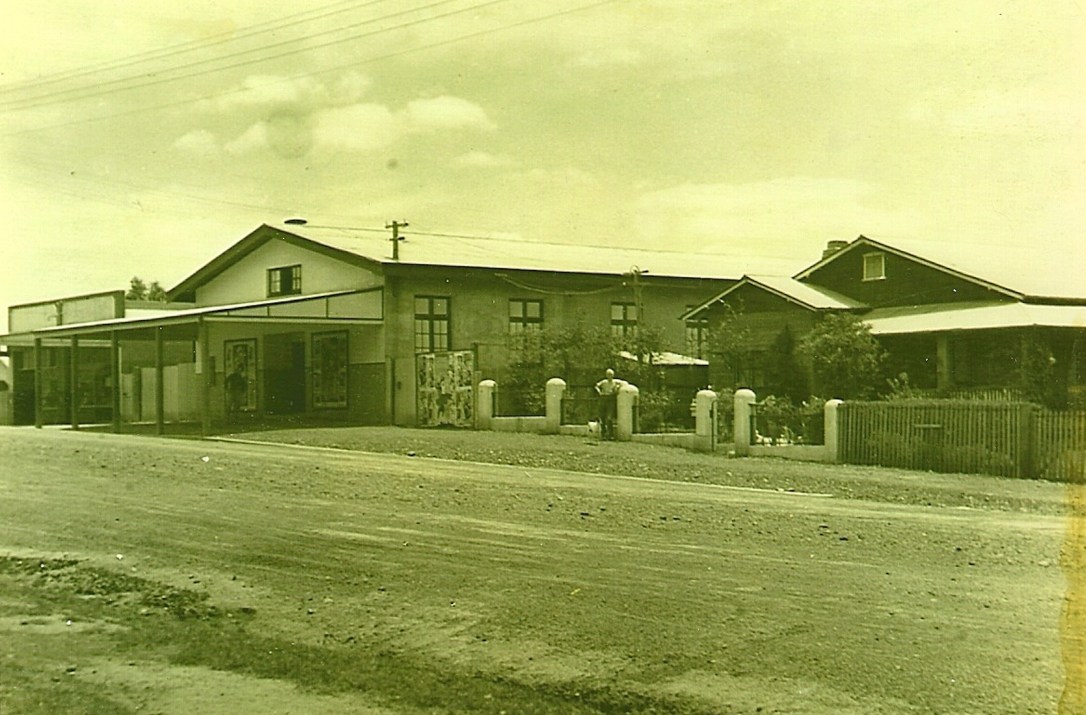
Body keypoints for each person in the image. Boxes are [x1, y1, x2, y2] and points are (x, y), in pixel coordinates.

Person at [595, 368, 620, 440]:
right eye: (608, 374)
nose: (610, 376)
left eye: (611, 375)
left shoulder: (615, 382)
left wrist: (617, 388)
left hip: (610, 399)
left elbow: (623, 384)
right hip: (603, 398)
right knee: (602, 417)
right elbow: (596, 386)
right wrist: (599, 392)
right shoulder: (604, 382)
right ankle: (603, 434)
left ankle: (611, 435)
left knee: (609, 418)